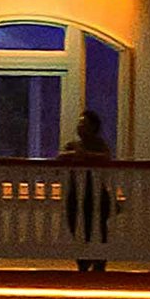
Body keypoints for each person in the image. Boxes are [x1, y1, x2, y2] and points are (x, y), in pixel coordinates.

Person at [64, 104, 116, 274]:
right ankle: (83, 261)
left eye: (84, 124)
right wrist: (72, 155)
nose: (80, 127)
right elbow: (59, 159)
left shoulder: (99, 145)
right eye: (79, 124)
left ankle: (99, 262)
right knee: (76, 228)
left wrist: (86, 156)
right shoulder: (72, 146)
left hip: (95, 194)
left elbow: (107, 158)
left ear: (93, 127)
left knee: (98, 227)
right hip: (75, 193)